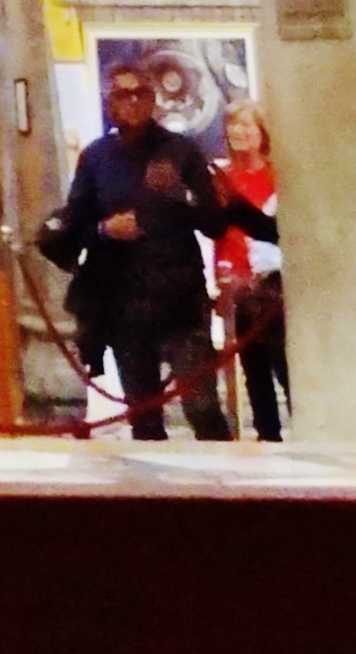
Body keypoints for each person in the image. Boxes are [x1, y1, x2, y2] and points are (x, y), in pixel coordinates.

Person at [40, 63, 262, 441]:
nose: (133, 102)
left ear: (153, 99)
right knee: (143, 414)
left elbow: (214, 223)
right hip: (124, 301)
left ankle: (224, 491)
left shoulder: (182, 152)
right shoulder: (96, 157)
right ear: (110, 104)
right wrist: (104, 230)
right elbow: (77, 222)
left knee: (202, 405)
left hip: (180, 298)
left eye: (140, 93)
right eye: (123, 95)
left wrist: (179, 194)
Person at [215, 101, 287, 441]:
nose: (239, 132)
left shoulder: (280, 175)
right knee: (254, 370)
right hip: (239, 284)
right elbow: (221, 234)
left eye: (247, 125)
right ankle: (267, 435)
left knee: (285, 365)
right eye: (233, 124)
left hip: (276, 286)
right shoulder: (221, 179)